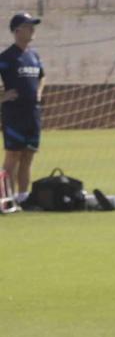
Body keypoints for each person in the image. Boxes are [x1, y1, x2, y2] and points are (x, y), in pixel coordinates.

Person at [1, 11, 45, 204]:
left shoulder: (34, 56)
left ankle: (23, 197)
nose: (32, 30)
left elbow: (42, 76)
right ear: (17, 31)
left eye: (33, 26)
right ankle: (6, 197)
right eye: (28, 26)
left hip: (33, 114)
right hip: (14, 115)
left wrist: (39, 92)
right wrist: (2, 96)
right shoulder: (7, 57)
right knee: (13, 155)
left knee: (28, 155)